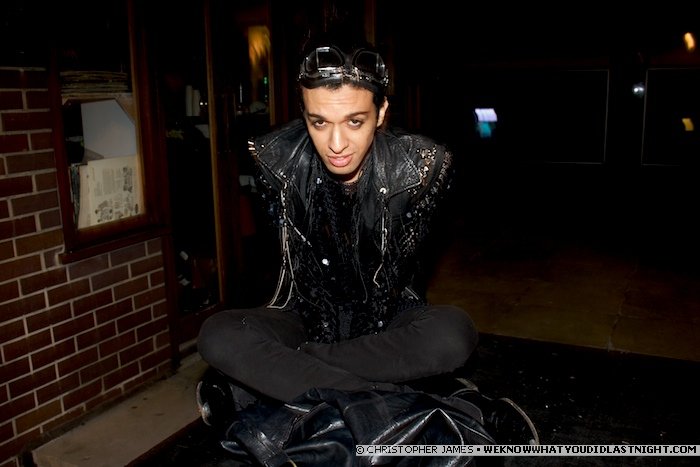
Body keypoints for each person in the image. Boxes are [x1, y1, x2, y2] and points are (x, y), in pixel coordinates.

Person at [196, 33, 537, 447]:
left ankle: (277, 380)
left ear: (381, 113)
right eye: (319, 122)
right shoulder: (273, 158)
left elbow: (400, 277)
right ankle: (433, 407)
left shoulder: (423, 165)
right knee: (218, 334)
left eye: (354, 121)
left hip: (383, 318)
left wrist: (292, 361)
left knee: (454, 334)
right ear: (303, 113)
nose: (336, 144)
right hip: (305, 315)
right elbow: (293, 270)